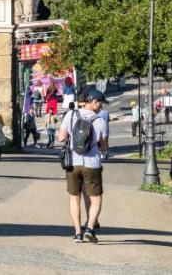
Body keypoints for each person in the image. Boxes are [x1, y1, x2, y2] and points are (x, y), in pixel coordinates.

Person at [57, 87, 108, 243]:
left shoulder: (71, 115)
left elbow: (61, 137)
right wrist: (100, 146)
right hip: (92, 164)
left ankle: (77, 233)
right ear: (93, 102)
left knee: (74, 198)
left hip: (73, 162)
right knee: (96, 198)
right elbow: (104, 146)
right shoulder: (100, 120)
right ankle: (90, 228)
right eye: (100, 103)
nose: (101, 107)